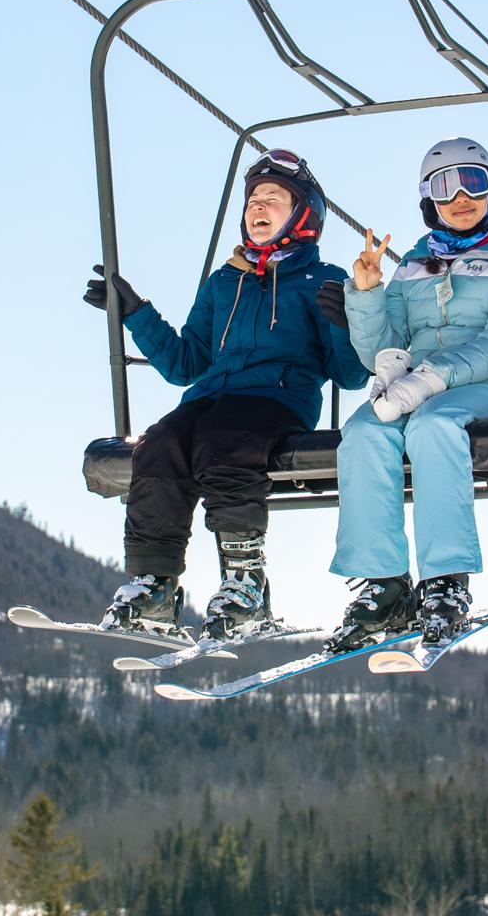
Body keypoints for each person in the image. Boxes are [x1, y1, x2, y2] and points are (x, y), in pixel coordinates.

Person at [83, 150, 368, 641]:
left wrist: (348, 321)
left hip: (276, 401)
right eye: (253, 200)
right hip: (212, 398)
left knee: (226, 443)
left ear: (304, 215)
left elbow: (350, 374)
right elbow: (184, 364)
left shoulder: (323, 280)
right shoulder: (225, 282)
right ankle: (154, 585)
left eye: (274, 200)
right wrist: (135, 313)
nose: (259, 208)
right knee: (161, 443)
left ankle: (245, 584)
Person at [326, 136, 488, 650]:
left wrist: (431, 378)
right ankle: (384, 585)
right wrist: (366, 294)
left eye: (473, 181)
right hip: (417, 386)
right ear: (429, 200)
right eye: (445, 187)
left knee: (434, 426)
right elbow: (383, 348)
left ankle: (445, 582)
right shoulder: (415, 261)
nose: (460, 197)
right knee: (362, 431)